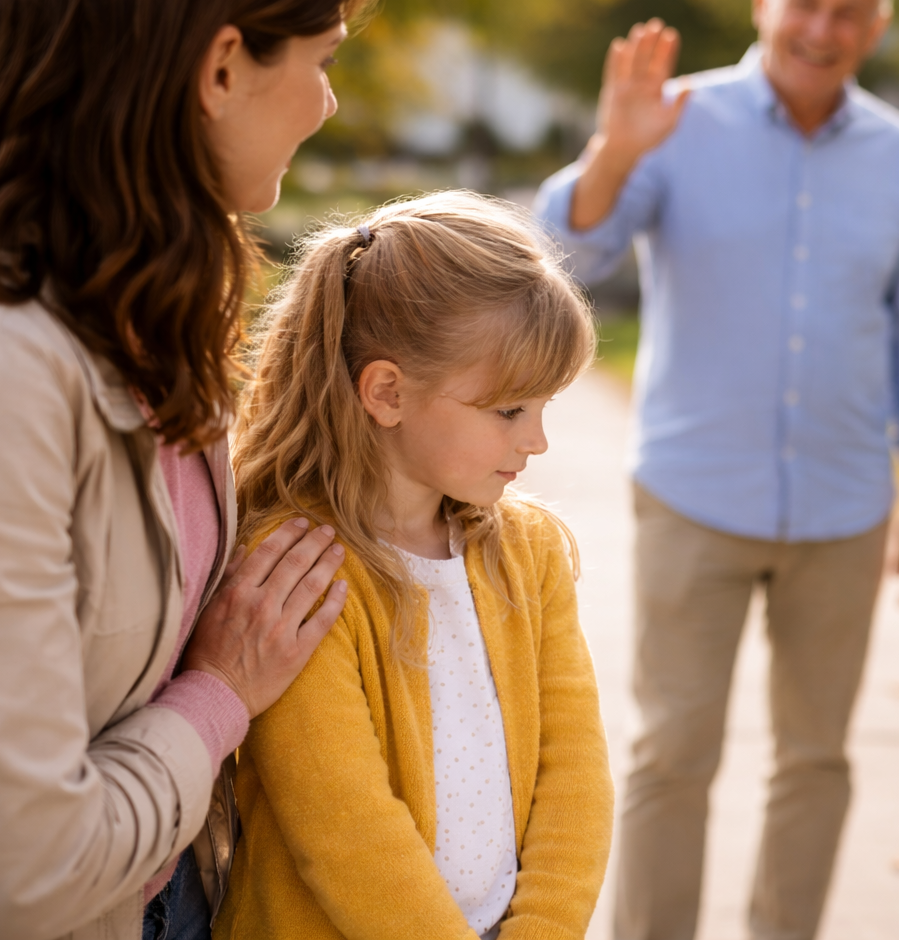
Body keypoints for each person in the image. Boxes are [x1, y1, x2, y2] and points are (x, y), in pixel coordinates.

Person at [0, 0, 386, 936]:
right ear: (221, 66)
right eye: (323, 59)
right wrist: (219, 693)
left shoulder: (130, 302)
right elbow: (24, 874)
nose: (328, 102)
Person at [534, 0, 899, 937]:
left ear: (876, 25)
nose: (821, 26)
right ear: (764, 1)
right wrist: (613, 150)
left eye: (846, 10)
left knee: (815, 758)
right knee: (672, 752)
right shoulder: (677, 121)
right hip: (695, 494)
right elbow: (562, 255)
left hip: (846, 504)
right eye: (803, 1)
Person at [214, 192, 614, 940]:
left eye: (544, 408)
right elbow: (344, 832)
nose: (537, 442)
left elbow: (576, 775)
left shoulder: (529, 556)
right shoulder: (299, 569)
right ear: (388, 393)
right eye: (508, 412)